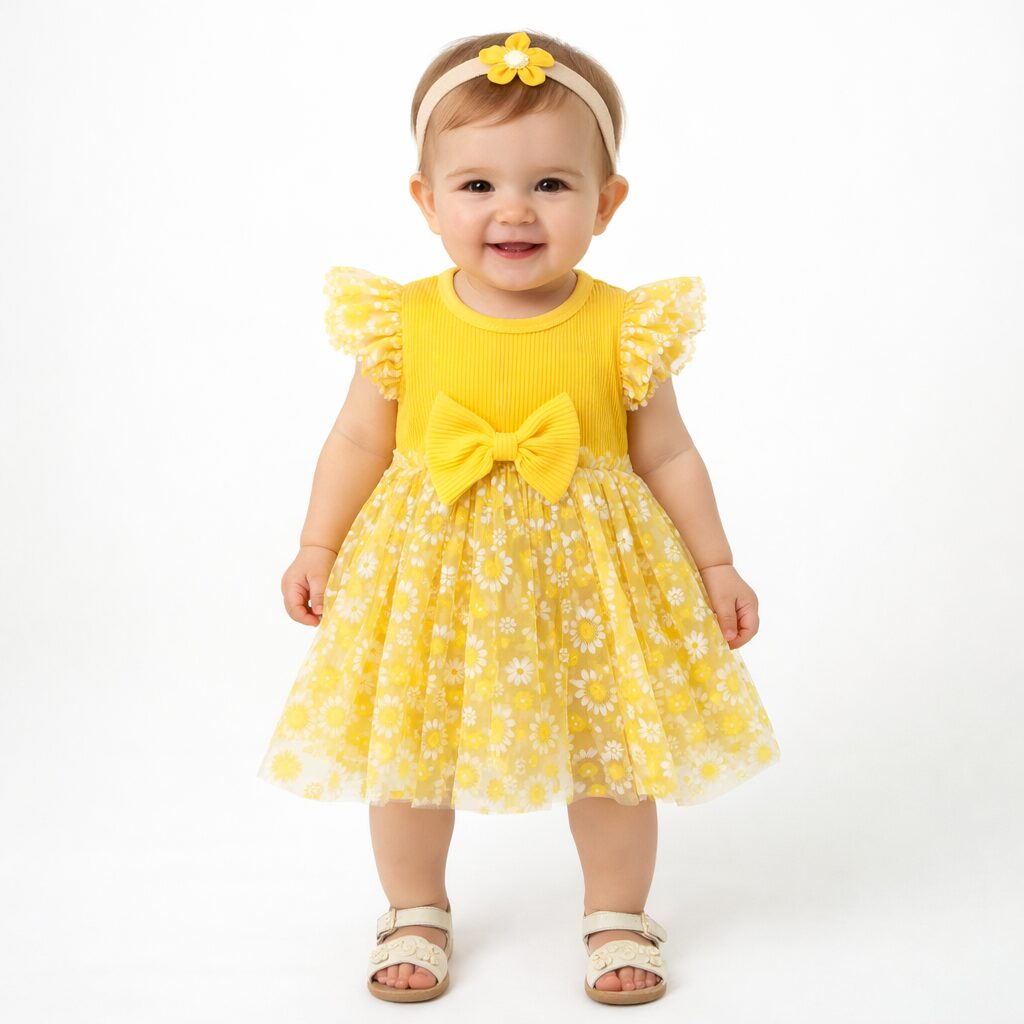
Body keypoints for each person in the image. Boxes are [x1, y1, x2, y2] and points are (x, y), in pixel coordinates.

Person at [256, 29, 781, 1006]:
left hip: (591, 584)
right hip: (432, 579)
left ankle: (616, 912)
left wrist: (716, 564)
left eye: (550, 184)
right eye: (477, 185)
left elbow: (668, 454)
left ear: (605, 202)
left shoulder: (623, 326)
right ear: (426, 200)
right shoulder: (401, 321)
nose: (514, 209)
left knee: (613, 752)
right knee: (410, 750)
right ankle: (414, 907)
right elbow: (358, 440)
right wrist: (318, 541)